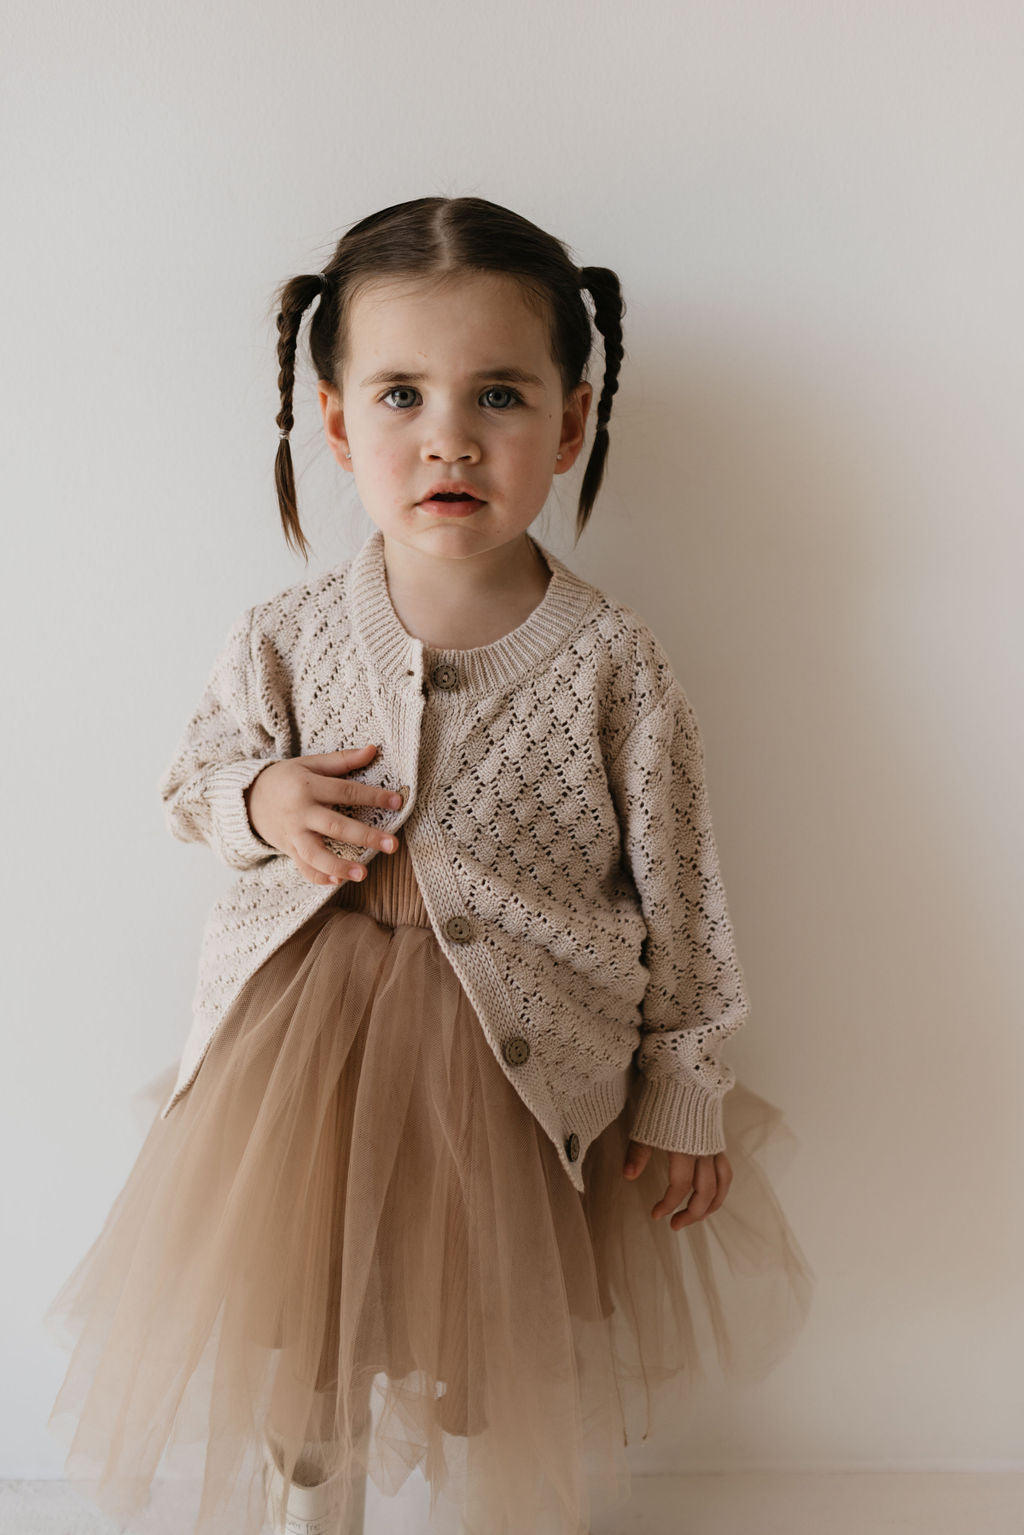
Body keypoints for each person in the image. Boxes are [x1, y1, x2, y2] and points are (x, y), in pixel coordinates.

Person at [44, 195, 814, 1535]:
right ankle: (312, 1503)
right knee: (308, 1323)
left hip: (515, 1069)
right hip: (303, 1051)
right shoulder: (286, 634)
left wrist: (685, 1077)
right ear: (339, 425)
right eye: (400, 394)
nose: (450, 436)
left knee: (490, 1346)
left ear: (570, 424)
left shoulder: (611, 663)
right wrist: (265, 796)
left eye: (501, 395)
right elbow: (192, 783)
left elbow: (681, 895)